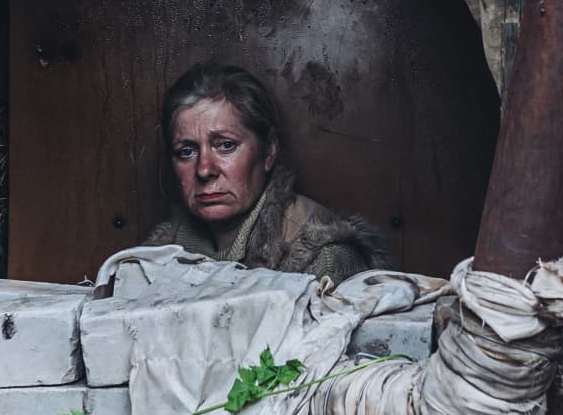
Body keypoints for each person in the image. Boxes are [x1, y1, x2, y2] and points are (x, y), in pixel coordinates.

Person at [142, 62, 389, 287]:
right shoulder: (157, 257)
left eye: (225, 145)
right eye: (186, 151)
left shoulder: (323, 257)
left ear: (268, 151)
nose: (205, 169)